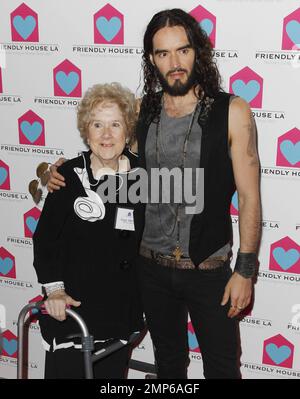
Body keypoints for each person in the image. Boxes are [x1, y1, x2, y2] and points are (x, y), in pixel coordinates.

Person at [46, 9, 261, 379]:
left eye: (182, 50)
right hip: (149, 269)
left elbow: (249, 197)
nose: (174, 63)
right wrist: (57, 171)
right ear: (152, 59)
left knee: (223, 369)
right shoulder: (143, 111)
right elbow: (107, 157)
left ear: (198, 52)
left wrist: (244, 270)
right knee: (169, 365)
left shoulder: (232, 111)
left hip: (208, 269)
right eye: (163, 54)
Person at [32, 82, 145, 379]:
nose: (106, 135)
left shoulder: (146, 175)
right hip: (72, 312)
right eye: (98, 124)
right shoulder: (67, 175)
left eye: (115, 124)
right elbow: (45, 240)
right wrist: (55, 291)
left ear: (128, 130)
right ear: (86, 130)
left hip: (121, 314)